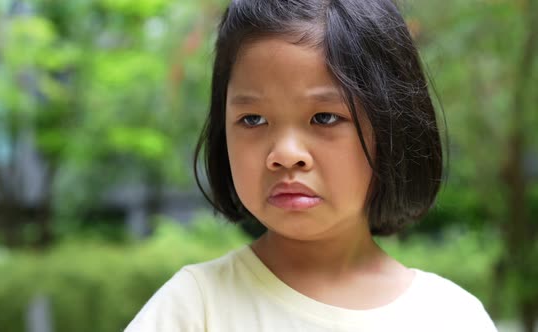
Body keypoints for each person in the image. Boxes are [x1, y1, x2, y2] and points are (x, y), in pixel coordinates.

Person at [125, 0, 498, 331]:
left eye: (324, 118)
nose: (285, 154)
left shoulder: (450, 316)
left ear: (391, 129)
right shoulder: (194, 308)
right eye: (253, 119)